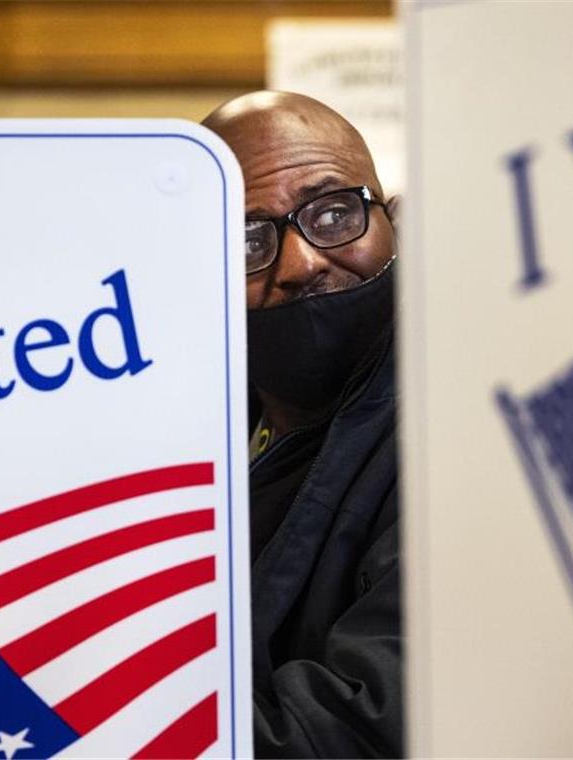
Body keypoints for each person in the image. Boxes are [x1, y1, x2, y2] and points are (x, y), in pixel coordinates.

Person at [203, 91, 402, 758]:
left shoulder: (453, 435)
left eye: (335, 213)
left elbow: (368, 722)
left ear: (393, 221)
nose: (303, 263)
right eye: (249, 239)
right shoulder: (193, 427)